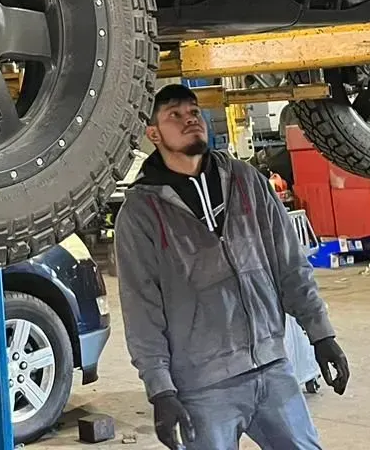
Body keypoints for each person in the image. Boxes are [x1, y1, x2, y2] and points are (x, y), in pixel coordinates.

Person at [115, 84, 349, 450]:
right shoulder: (141, 212)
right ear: (153, 134)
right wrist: (160, 390)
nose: (189, 120)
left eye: (193, 112)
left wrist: (322, 335)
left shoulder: (246, 180)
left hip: (272, 369)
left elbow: (290, 264)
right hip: (203, 387)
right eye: (174, 115)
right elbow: (141, 307)